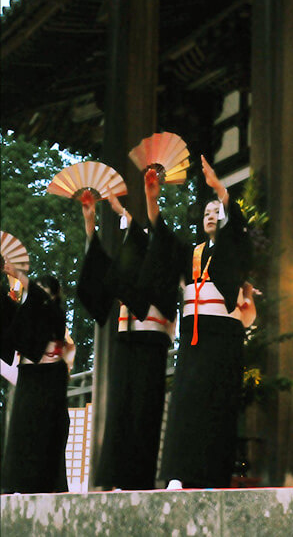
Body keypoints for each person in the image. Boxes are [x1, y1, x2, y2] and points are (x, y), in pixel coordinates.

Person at [141, 155, 252, 489]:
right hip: (193, 333)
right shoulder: (191, 252)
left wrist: (219, 188)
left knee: (216, 403)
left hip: (223, 334)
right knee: (186, 403)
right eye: (206, 213)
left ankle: (213, 475)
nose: (211, 216)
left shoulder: (230, 246)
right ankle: (179, 473)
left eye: (216, 212)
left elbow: (237, 233)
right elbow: (161, 235)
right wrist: (150, 198)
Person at [78, 192, 175, 491]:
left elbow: (148, 242)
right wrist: (90, 224)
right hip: (126, 338)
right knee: (119, 408)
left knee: (144, 409)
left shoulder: (164, 258)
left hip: (151, 339)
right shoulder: (128, 264)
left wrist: (123, 211)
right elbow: (101, 266)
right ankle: (114, 477)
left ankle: (139, 479)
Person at [1, 264, 75, 494]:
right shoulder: (25, 312)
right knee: (23, 432)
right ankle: (18, 483)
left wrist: (21, 276)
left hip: (50, 377)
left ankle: (47, 485)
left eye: (44, 291)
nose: (38, 295)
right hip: (29, 376)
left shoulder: (56, 312)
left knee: (47, 433)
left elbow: (42, 302)